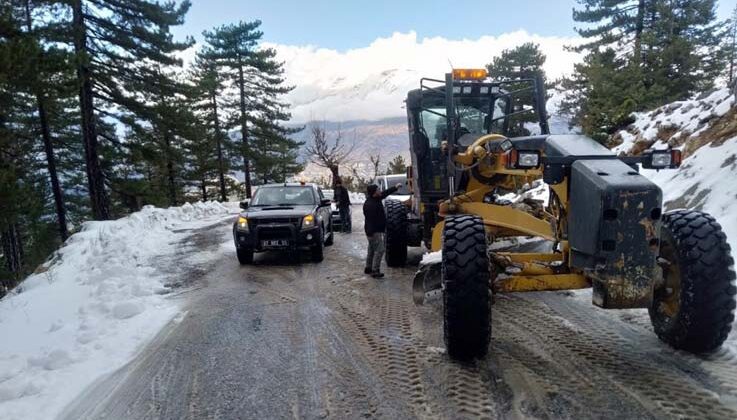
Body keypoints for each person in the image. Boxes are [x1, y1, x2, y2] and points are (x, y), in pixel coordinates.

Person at [363, 182, 402, 278]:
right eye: (378, 190)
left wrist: (395, 187)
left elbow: (385, 193)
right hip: (373, 231)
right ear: (374, 192)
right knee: (380, 250)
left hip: (373, 231)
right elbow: (370, 220)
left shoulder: (375, 199)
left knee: (372, 249)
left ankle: (368, 268)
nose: (380, 191)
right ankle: (375, 270)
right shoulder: (371, 205)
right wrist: (371, 233)